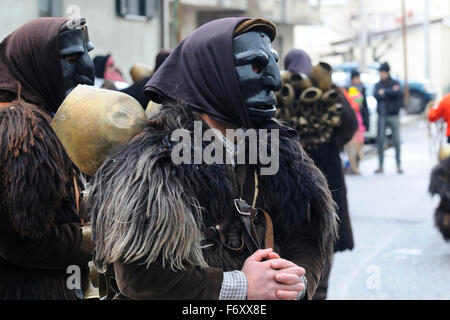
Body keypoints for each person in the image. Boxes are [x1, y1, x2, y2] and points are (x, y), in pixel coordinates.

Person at [87, 18, 338, 300]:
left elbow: (308, 235)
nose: (274, 81)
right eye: (256, 65)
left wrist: (292, 281)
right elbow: (140, 277)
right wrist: (240, 286)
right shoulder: (154, 164)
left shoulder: (282, 153)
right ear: (213, 75)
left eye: (273, 63)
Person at [0, 18, 95, 299]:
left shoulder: (50, 118)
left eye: (88, 52)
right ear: (37, 63)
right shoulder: (21, 129)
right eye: (70, 58)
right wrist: (100, 238)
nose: (87, 68)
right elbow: (24, 241)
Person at [279, 49, 357, 300]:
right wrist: (332, 142)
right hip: (327, 170)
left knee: (289, 236)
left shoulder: (277, 91)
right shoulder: (328, 92)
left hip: (285, 171)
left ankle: (292, 290)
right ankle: (319, 291)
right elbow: (350, 124)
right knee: (324, 232)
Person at [374, 62, 404, 174]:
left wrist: (385, 92)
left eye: (382, 72)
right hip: (382, 114)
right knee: (381, 140)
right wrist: (390, 92)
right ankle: (380, 165)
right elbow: (376, 95)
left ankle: (398, 165)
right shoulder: (378, 85)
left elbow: (398, 93)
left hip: (394, 115)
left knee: (396, 140)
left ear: (387, 72)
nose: (381, 74)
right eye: (380, 72)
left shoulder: (395, 82)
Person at [345, 86, 367, 175]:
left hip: (359, 134)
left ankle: (354, 167)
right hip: (353, 135)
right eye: (357, 102)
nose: (359, 104)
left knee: (354, 151)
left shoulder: (357, 113)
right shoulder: (351, 114)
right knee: (352, 153)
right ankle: (354, 168)